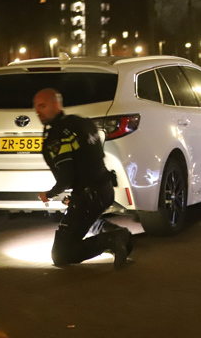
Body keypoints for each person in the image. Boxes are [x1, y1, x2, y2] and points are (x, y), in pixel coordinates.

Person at [35, 88, 132, 269]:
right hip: (104, 189)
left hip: (89, 196)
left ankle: (112, 239)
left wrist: (49, 194)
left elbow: (66, 177)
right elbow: (89, 160)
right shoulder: (81, 123)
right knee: (86, 219)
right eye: (36, 107)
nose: (38, 112)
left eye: (43, 106)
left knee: (61, 254)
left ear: (56, 105)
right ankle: (121, 236)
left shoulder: (57, 135)